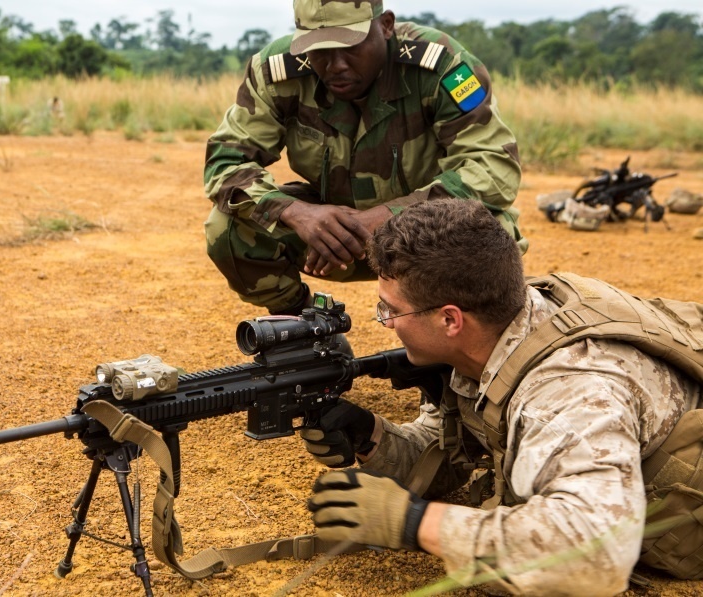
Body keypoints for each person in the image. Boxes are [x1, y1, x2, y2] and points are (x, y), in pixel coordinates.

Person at [300, 197, 703, 594]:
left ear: (450, 319)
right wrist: (372, 438)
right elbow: (454, 450)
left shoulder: (570, 393)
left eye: (390, 310)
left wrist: (418, 523)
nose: (386, 323)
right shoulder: (494, 322)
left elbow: (595, 557)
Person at [204, 0, 525, 315]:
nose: (336, 65)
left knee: (490, 234)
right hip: (330, 240)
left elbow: (493, 167)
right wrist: (298, 214)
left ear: (385, 25)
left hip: (428, 238)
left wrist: (386, 216)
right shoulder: (276, 72)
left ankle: (454, 348)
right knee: (228, 228)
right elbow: (226, 162)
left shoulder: (442, 66)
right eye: (320, 51)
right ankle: (301, 329)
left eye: (351, 46)